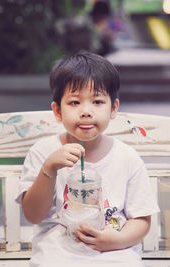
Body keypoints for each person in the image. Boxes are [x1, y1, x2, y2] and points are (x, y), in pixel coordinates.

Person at [16, 51, 159, 266]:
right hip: (60, 250)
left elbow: (142, 220)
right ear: (57, 111)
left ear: (113, 108)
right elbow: (33, 215)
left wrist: (116, 240)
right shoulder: (43, 152)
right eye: (74, 102)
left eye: (97, 101)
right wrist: (49, 169)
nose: (86, 111)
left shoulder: (127, 157)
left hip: (113, 250)